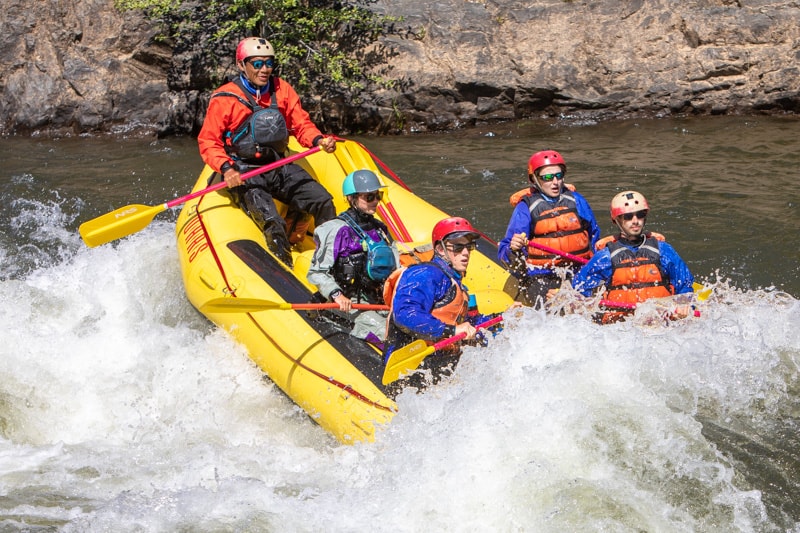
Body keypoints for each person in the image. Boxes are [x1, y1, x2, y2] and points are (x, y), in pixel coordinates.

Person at [197, 36, 337, 265]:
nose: (265, 70)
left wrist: (318, 140)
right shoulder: (225, 98)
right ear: (242, 65)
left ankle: (330, 261)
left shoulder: (282, 89)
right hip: (243, 171)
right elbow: (208, 141)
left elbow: (301, 125)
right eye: (257, 63)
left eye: (269, 63)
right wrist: (226, 168)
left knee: (322, 200)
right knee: (272, 220)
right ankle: (285, 270)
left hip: (278, 166)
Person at [382, 217, 492, 384]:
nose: (465, 253)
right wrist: (450, 331)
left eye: (468, 247)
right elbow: (405, 314)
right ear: (440, 249)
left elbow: (470, 323)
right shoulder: (425, 274)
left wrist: (506, 319)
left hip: (441, 361)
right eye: (458, 247)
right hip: (412, 367)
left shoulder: (454, 281)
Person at [498, 149, 601, 307]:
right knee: (557, 307)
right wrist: (514, 249)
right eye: (547, 177)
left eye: (559, 176)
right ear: (534, 179)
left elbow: (594, 238)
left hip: (578, 272)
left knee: (582, 306)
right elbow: (506, 251)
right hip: (541, 276)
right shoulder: (525, 208)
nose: (555, 182)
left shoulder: (577, 200)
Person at [570, 190, 694, 320]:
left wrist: (684, 304)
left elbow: (685, 285)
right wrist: (571, 300)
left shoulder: (663, 250)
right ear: (616, 220)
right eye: (628, 216)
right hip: (621, 327)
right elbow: (579, 290)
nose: (635, 221)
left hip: (659, 324)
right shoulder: (605, 257)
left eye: (639, 215)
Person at [306, 169, 398, 343]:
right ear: (352, 198)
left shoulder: (380, 229)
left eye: (378, 195)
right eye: (369, 197)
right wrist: (337, 295)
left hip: (375, 299)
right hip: (345, 302)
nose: (376, 201)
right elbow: (316, 272)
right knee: (388, 333)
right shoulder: (336, 230)